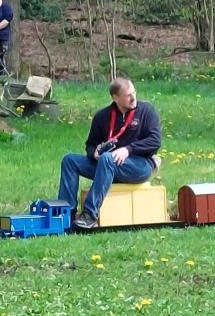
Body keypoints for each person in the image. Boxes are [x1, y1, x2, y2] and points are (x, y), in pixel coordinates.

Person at [58, 77, 161, 229]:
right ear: (115, 97)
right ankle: (66, 214)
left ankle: (89, 215)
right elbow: (90, 145)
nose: (133, 98)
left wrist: (128, 149)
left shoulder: (147, 111)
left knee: (107, 158)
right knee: (69, 160)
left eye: (134, 92)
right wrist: (95, 154)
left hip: (139, 165)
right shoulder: (102, 116)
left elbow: (155, 141)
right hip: (106, 165)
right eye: (128, 95)